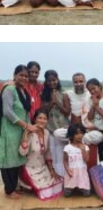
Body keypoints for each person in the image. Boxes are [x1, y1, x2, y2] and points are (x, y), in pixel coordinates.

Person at [0, 65, 33, 197]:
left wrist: (28, 127)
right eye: (21, 75)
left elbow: (25, 111)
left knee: (17, 158)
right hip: (9, 129)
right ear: (15, 75)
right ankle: (9, 190)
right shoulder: (9, 89)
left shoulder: (23, 91)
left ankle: (13, 187)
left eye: (26, 76)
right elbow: (7, 111)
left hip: (19, 130)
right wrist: (25, 125)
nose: (24, 78)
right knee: (8, 159)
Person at [18, 108, 63, 199]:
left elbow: (47, 153)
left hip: (42, 167)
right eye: (40, 118)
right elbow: (22, 153)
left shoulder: (46, 133)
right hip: (30, 168)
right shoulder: (29, 132)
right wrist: (25, 138)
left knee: (58, 183)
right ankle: (24, 183)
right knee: (44, 191)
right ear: (34, 119)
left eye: (45, 119)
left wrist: (51, 170)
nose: (42, 121)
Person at [63, 123, 91, 196]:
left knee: (87, 194)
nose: (80, 136)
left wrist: (83, 150)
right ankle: (71, 187)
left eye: (81, 133)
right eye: (77, 134)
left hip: (82, 172)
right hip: (72, 172)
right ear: (71, 135)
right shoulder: (67, 148)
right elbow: (65, 160)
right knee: (67, 194)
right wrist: (67, 169)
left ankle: (81, 187)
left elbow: (87, 160)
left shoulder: (85, 147)